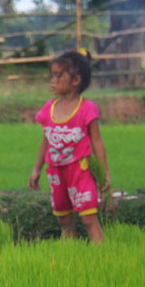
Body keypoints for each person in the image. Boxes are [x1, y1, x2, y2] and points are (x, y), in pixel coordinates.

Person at [28, 50, 110, 242]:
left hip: (79, 170)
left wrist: (104, 172)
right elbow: (46, 140)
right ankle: (69, 261)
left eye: (59, 76)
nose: (53, 80)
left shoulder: (87, 109)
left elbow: (97, 141)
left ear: (76, 80)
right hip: (56, 172)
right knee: (64, 220)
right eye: (52, 75)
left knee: (88, 219)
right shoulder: (49, 108)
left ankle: (105, 259)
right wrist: (36, 169)